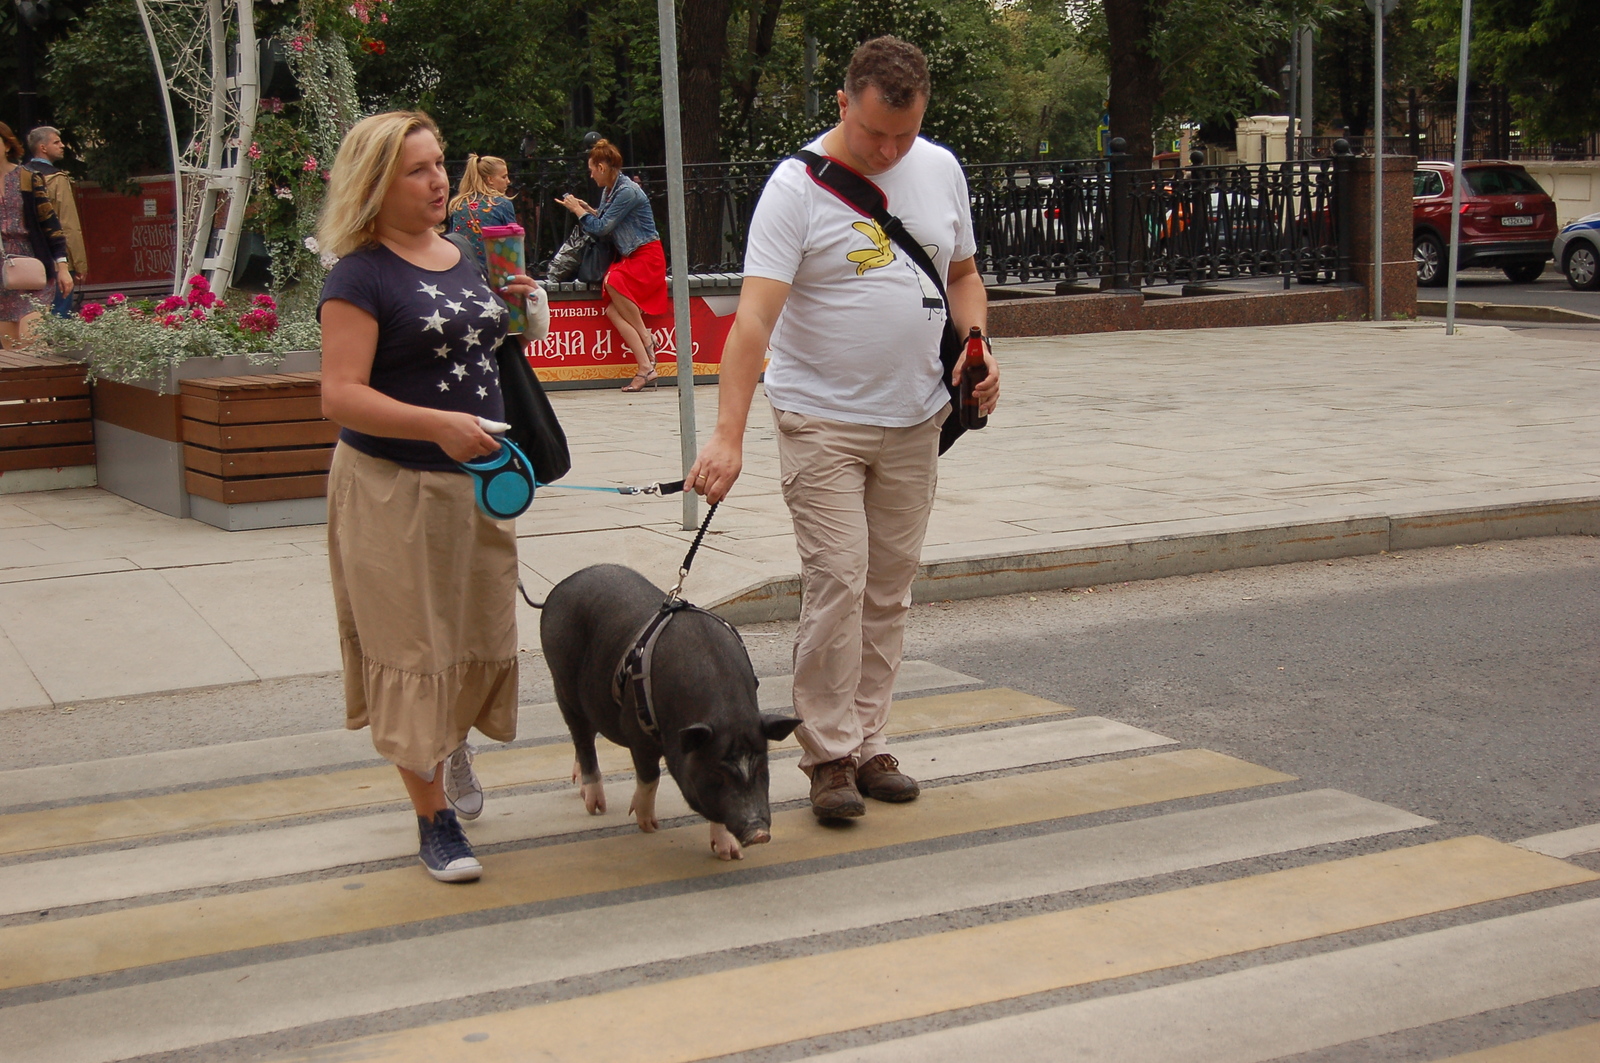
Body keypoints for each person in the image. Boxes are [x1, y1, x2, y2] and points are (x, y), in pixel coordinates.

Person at [686, 37, 999, 820]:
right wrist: (727, 434)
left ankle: (867, 742)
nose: (890, 151)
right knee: (839, 583)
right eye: (873, 136)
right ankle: (827, 754)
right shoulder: (795, 188)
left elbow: (961, 275)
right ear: (842, 104)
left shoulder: (940, 168)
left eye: (903, 135)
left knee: (888, 591)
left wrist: (977, 345)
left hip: (917, 416)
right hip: (821, 419)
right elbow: (752, 321)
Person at [317, 111, 540, 883]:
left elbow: (488, 345)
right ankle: (433, 817)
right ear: (377, 184)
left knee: (475, 632)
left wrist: (524, 310)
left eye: (440, 163)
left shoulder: (469, 252)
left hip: (474, 484)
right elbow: (339, 395)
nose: (439, 179)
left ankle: (451, 744)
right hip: (391, 489)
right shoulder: (358, 273)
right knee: (414, 650)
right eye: (418, 169)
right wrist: (437, 426)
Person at [556, 139, 668, 392]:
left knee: (613, 281)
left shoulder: (627, 191)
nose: (591, 174)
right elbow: (605, 220)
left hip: (646, 256)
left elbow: (602, 228)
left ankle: (646, 337)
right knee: (612, 312)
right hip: (632, 255)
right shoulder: (611, 189)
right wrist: (587, 209)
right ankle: (645, 368)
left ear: (602, 167)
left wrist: (578, 212)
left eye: (592, 168)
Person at [0, 122, 71, 347]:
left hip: (33, 264)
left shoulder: (27, 177)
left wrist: (63, 267)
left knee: (32, 341)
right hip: (2, 272)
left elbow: (50, 223)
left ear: (6, 145)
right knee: (12, 349)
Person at [24, 126, 87, 317]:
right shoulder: (57, 179)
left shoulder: (19, 177)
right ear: (43, 147)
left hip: (26, 257)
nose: (62, 146)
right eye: (56, 142)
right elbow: (68, 223)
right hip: (58, 259)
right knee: (59, 316)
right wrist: (78, 263)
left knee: (32, 319)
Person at [447, 153, 517, 272]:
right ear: (490, 179)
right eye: (504, 177)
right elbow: (513, 244)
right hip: (494, 271)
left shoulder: (458, 204)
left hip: (463, 270)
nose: (508, 181)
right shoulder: (501, 204)